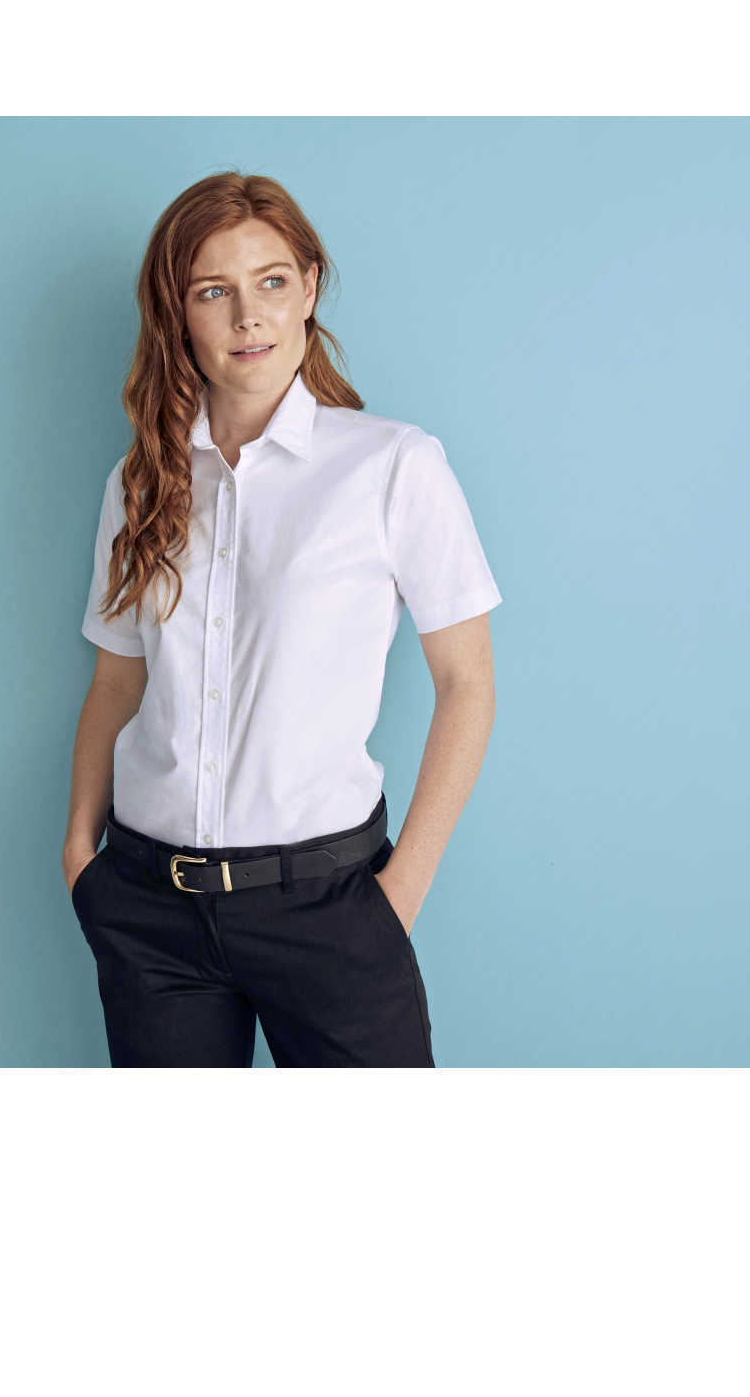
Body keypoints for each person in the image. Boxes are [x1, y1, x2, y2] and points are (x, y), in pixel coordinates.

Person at [63, 172, 500, 1067]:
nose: (246, 316)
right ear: (177, 313)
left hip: (330, 910)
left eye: (270, 281)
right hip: (150, 909)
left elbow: (468, 683)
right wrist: (80, 854)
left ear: (308, 287)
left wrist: (397, 900)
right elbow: (115, 681)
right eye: (211, 291)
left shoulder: (393, 465)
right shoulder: (139, 483)